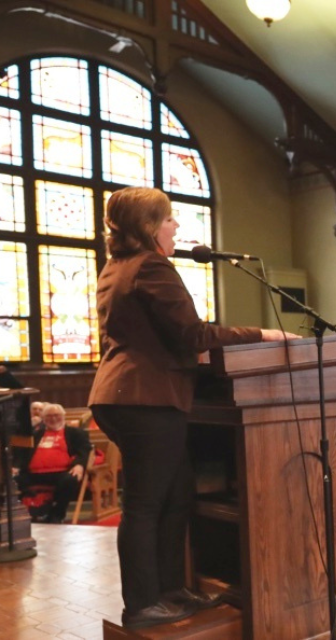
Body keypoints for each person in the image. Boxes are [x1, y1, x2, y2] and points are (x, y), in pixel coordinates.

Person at [87, 187, 294, 630]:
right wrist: (265, 334)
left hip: (125, 393)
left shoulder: (117, 266)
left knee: (177, 491)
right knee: (145, 503)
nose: (176, 226)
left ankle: (171, 589)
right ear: (149, 227)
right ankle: (142, 604)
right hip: (146, 398)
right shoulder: (153, 265)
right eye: (168, 219)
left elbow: (153, 334)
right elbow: (194, 335)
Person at [16, 403, 92, 523]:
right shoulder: (35, 434)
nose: (53, 418)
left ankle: (57, 514)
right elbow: (22, 453)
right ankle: (24, 513)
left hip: (61, 473)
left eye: (56, 415)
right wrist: (15, 467)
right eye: (49, 416)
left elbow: (84, 450)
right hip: (33, 474)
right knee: (12, 481)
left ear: (63, 416)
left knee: (70, 480)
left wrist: (79, 465)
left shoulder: (75, 433)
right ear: (43, 418)